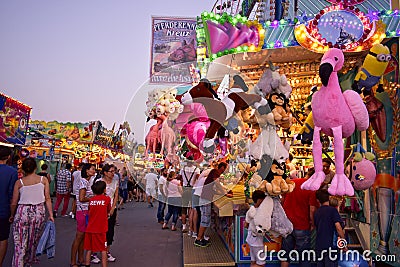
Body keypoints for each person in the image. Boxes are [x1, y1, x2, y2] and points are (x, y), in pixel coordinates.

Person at [9, 158, 54, 267]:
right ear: (35, 168)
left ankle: (18, 263)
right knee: (33, 241)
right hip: (39, 212)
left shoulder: (19, 182)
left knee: (20, 244)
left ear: (23, 169)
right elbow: (47, 198)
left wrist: (12, 215)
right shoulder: (43, 180)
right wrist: (51, 214)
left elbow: (14, 202)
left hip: (22, 211)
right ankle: (29, 262)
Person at [281, 173, 318, 267]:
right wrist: (313, 223)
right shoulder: (311, 188)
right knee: (304, 256)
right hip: (302, 225)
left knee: (285, 255)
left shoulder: (291, 183)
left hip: (287, 223)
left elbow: (281, 200)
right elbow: (312, 209)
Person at [195, 162, 232, 247]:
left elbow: (214, 187)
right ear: (222, 168)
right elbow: (217, 184)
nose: (225, 171)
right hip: (205, 199)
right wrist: (225, 194)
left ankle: (201, 238)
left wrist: (222, 193)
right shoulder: (215, 172)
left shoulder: (214, 173)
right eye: (225, 168)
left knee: (206, 219)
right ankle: (198, 239)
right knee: (205, 219)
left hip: (206, 198)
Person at [70, 163, 96, 266]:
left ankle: (80, 258)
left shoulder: (87, 182)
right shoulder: (84, 182)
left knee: (83, 236)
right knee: (79, 236)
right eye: (92, 169)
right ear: (87, 171)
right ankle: (73, 261)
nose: (94, 171)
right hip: (82, 211)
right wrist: (93, 198)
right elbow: (81, 198)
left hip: (86, 211)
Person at [314, 189, 346, 267]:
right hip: (331, 245)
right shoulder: (332, 211)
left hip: (319, 245)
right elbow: (338, 228)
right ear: (329, 198)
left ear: (318, 200)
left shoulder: (316, 212)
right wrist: (344, 243)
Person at [83, 181, 111, 267]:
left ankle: (87, 264)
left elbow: (89, 210)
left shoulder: (91, 200)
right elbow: (108, 210)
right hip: (101, 228)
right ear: (104, 189)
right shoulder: (107, 199)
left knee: (89, 249)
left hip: (90, 227)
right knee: (103, 249)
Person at [0, 146, 18, 266]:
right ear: (8, 157)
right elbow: (13, 196)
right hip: (3, 210)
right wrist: (12, 213)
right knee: (3, 238)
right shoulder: (12, 172)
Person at [99, 164, 119, 262]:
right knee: (99, 231)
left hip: (111, 209)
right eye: (111, 171)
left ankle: (107, 251)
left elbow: (116, 197)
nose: (113, 173)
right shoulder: (99, 182)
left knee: (110, 231)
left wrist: (112, 209)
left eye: (114, 171)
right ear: (105, 173)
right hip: (100, 209)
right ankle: (95, 251)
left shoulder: (115, 182)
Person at [244, 190, 266, 267]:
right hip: (257, 242)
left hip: (250, 239)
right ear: (260, 200)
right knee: (261, 263)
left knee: (253, 261)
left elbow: (246, 224)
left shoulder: (251, 210)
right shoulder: (261, 212)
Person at [180, 159, 200, 233]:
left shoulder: (182, 169)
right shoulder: (196, 169)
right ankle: (190, 227)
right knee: (192, 208)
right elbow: (198, 178)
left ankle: (184, 226)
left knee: (184, 208)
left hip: (185, 189)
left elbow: (181, 179)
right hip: (192, 189)